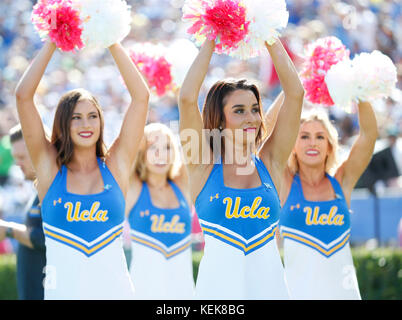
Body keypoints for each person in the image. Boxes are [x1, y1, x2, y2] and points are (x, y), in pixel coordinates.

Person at [14, 40, 150, 299]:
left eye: (92, 116)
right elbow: (23, 96)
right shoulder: (49, 169)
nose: (85, 124)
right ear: (64, 123)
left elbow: (141, 98)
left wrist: (110, 40)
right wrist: (54, 41)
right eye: (76, 117)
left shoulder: (116, 166)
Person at [178, 38, 305, 299]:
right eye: (239, 111)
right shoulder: (202, 163)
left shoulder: (271, 161)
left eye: (255, 109)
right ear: (220, 120)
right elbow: (187, 98)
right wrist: (213, 36)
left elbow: (295, 94)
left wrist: (268, 33)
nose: (251, 118)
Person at [278, 102, 378, 299]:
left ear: (330, 145)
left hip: (344, 294)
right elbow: (268, 139)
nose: (312, 143)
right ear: (293, 146)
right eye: (304, 136)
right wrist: (293, 92)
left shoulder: (342, 182)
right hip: (298, 294)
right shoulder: (285, 182)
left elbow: (368, 135)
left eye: (320, 137)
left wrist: (359, 88)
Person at [126, 123, 195, 299]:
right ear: (142, 152)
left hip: (183, 295)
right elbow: (126, 151)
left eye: (167, 147)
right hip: (143, 293)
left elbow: (195, 144)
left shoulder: (183, 185)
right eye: (152, 147)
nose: (161, 154)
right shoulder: (134, 189)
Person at [0, 124, 46, 300]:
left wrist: (9, 230)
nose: (17, 164)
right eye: (15, 158)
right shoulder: (37, 190)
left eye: (22, 157)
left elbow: (49, 238)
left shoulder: (54, 192)